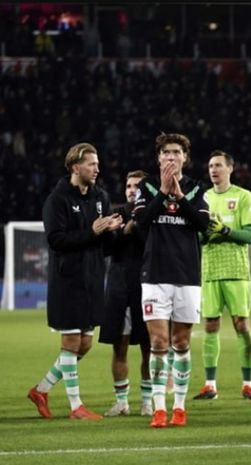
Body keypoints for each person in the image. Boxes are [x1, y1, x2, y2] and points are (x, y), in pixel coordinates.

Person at [28, 142, 122, 421]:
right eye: (91, 164)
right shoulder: (56, 200)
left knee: (85, 345)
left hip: (93, 279)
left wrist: (113, 231)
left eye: (97, 163)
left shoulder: (100, 197)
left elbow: (103, 244)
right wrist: (92, 231)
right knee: (70, 342)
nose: (97, 168)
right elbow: (56, 241)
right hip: (67, 280)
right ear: (75, 167)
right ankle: (76, 407)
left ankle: (41, 390)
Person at [133, 133, 209, 428]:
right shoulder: (148, 186)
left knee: (181, 341)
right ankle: (159, 407)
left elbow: (203, 224)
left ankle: (179, 406)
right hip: (154, 274)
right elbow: (140, 221)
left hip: (187, 275)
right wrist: (163, 193)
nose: (171, 157)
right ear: (159, 157)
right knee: (159, 341)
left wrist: (178, 197)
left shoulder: (196, 188)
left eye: (176, 152)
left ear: (185, 158)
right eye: (166, 152)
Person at [194, 150, 251, 401]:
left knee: (241, 324)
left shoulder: (242, 196)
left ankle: (248, 383)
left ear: (230, 169)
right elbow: (198, 237)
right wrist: (210, 233)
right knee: (210, 325)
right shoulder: (203, 197)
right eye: (210, 165)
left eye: (218, 165)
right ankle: (210, 385)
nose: (213, 170)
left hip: (236, 272)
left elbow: (249, 236)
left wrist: (225, 229)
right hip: (210, 271)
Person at [99, 169, 153, 417]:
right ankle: (121, 402)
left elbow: (153, 246)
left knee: (148, 347)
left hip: (146, 288)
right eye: (129, 185)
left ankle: (147, 401)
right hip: (119, 288)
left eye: (137, 186)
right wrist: (122, 231)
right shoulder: (116, 214)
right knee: (118, 348)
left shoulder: (153, 214)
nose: (132, 190)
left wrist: (136, 228)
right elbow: (106, 249)